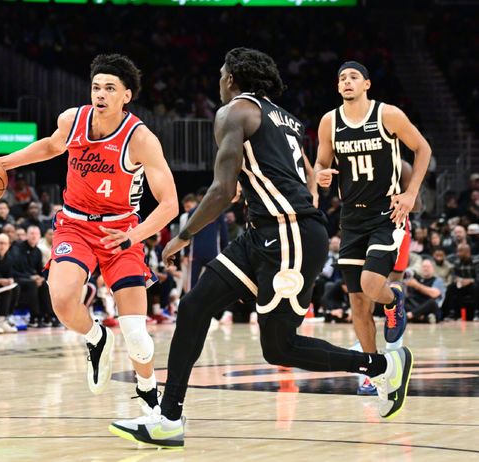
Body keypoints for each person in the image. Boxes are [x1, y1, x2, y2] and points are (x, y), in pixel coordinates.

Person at [109, 48, 413, 448]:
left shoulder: (234, 112)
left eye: (222, 74)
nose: (219, 81)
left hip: (289, 233)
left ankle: (382, 365)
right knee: (195, 306)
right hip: (266, 230)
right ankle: (169, 418)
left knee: (280, 346)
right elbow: (302, 174)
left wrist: (184, 234)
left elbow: (221, 190)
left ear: (233, 78)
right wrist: (255, 187)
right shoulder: (284, 117)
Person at [0, 54, 178, 410]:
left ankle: (149, 396)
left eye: (110, 88)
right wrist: (3, 164)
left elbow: (170, 204)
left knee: (136, 334)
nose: (101, 94)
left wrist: (134, 236)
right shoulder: (72, 120)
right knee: (62, 300)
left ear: (126, 95)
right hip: (75, 225)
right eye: (96, 87)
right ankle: (96, 337)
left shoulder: (141, 139)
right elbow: (50, 146)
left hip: (120, 231)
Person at [314, 61, 430, 395]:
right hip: (351, 218)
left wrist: (411, 193)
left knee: (371, 284)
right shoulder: (329, 122)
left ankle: (393, 299)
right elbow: (321, 162)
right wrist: (320, 174)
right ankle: (374, 369)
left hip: (386, 213)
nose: (346, 82)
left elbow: (422, 148)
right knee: (358, 303)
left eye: (353, 77)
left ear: (366, 84)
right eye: (341, 78)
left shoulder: (387, 115)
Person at [403, 259, 445, 323]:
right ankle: (423, 318)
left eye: (428, 267)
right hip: (417, 307)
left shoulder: (437, 280)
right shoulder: (417, 279)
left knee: (432, 302)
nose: (425, 269)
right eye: (424, 267)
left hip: (429, 307)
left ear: (433, 268)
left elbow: (434, 294)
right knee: (404, 300)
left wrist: (417, 285)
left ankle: (409, 316)